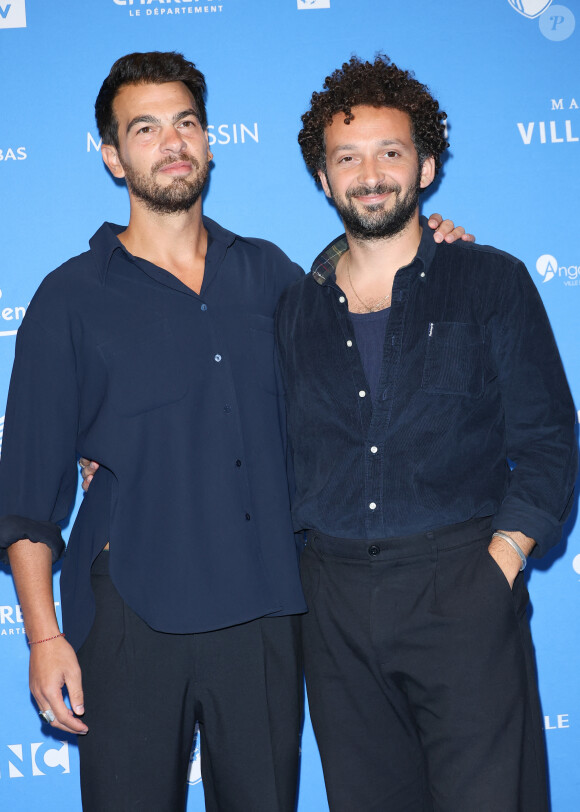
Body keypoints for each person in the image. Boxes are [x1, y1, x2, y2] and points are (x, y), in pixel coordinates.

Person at [0, 51, 468, 811]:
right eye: (145, 129)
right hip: (130, 616)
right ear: (114, 157)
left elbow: (368, 319)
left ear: (210, 140)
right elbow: (28, 492)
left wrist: (428, 242)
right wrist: (44, 638)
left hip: (264, 612)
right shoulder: (68, 300)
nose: (173, 142)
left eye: (186, 122)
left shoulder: (273, 276)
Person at [275, 55, 577, 812]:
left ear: (427, 165)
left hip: (462, 583)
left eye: (390, 152)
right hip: (334, 602)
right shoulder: (291, 311)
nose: (370, 173)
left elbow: (548, 441)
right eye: (348, 157)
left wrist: (499, 565)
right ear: (323, 178)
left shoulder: (491, 281)